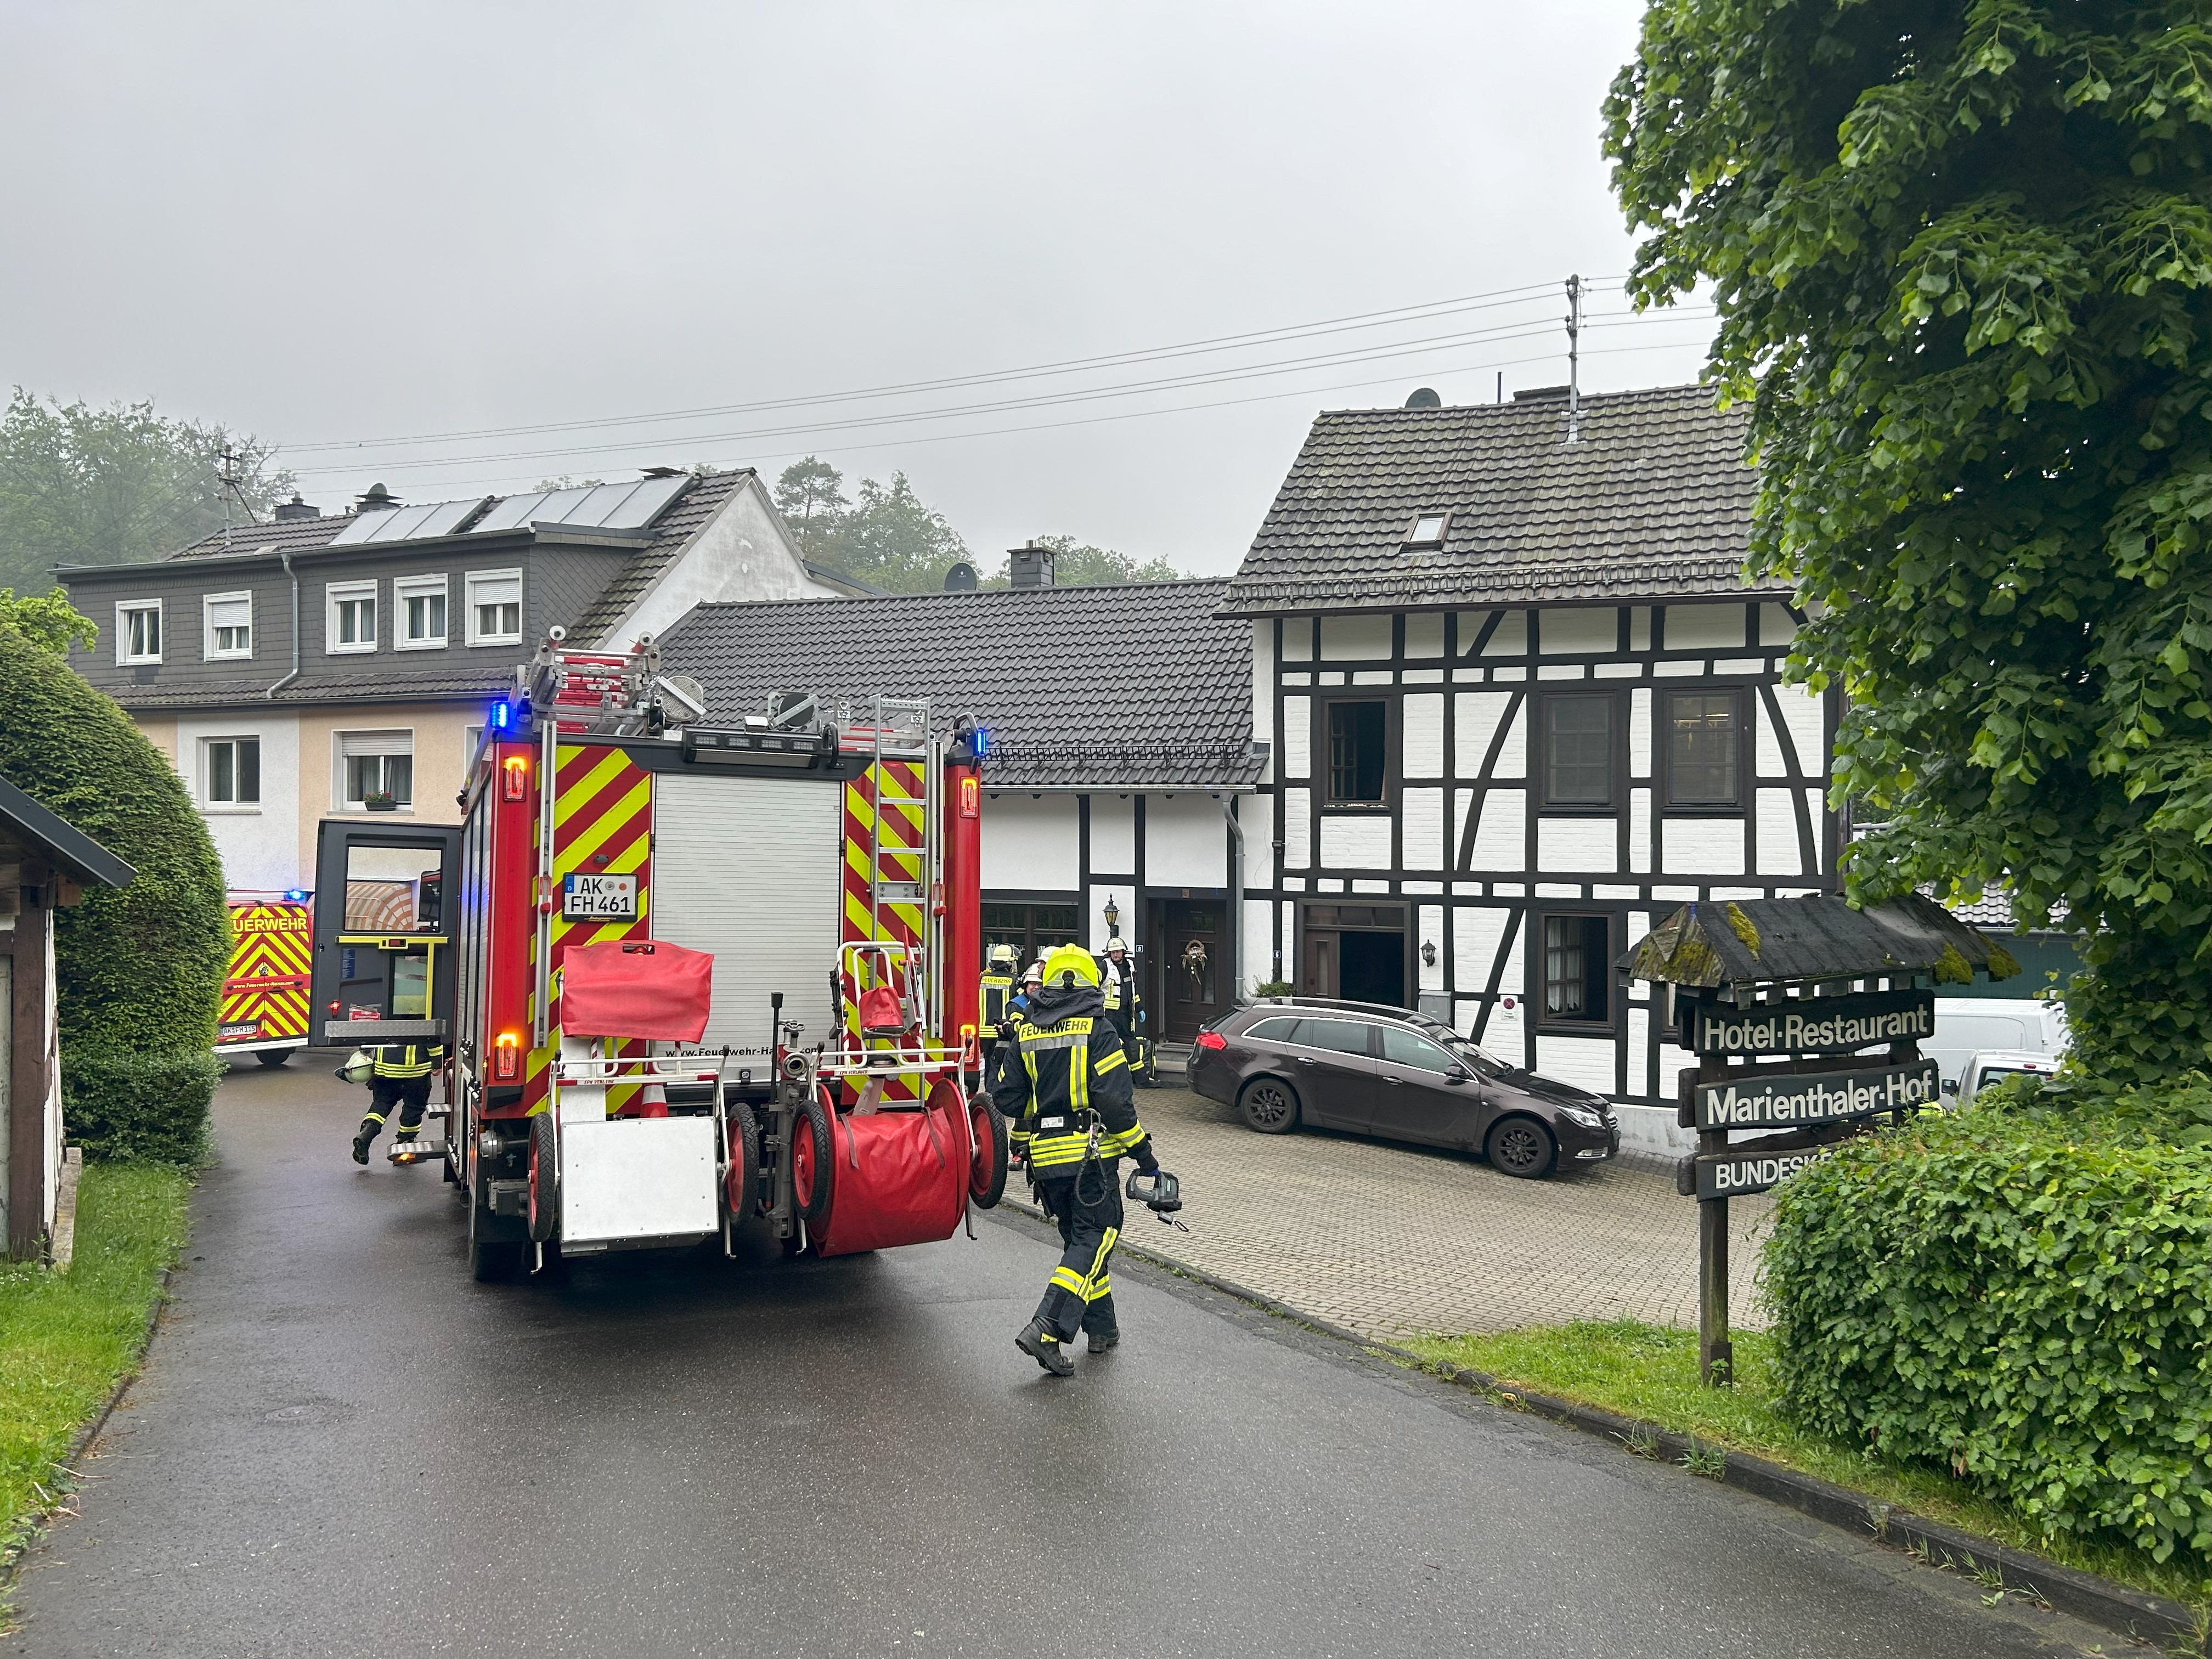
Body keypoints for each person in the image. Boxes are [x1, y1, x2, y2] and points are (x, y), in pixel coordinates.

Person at [992, 943, 1166, 1376]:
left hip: (1045, 1164)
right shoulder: (1099, 1030)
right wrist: (1146, 1158)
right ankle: (1046, 1329)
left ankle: (1103, 1329)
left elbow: (1005, 1097)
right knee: (1099, 1235)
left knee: (1082, 1246)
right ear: (1094, 985)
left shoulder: (1027, 1031)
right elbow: (1115, 1103)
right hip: (1091, 1160)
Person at [351, 1039, 445, 1165]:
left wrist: (365, 1050)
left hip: (384, 1070)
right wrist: (437, 1063)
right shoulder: (420, 1018)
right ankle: (405, 1147)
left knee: (380, 1105)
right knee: (413, 1108)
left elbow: (372, 1032)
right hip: (414, 1073)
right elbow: (431, 1039)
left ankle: (366, 1135)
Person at [1097, 935, 1143, 1075]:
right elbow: (1094, 986)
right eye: (1113, 952)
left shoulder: (1130, 965)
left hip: (1127, 1014)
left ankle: (1140, 1078)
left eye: (1118, 951)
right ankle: (1113, 1076)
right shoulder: (1104, 966)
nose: (1116, 954)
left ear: (1124, 952)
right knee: (1111, 1044)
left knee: (1131, 1043)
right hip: (1110, 1015)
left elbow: (1132, 989)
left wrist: (1139, 1008)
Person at [978, 943, 1020, 1084]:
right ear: (1008, 964)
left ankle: (988, 1095)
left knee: (989, 1066)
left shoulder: (982, 979)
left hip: (984, 1033)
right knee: (1003, 1066)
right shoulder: (1014, 982)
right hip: (1003, 1031)